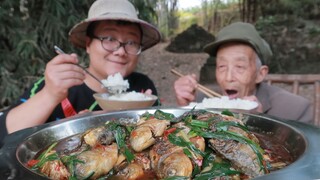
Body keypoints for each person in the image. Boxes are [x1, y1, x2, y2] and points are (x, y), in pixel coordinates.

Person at [0, 0, 161, 142]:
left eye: (131, 42)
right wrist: (50, 95)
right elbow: (4, 134)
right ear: (88, 44)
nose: (120, 51)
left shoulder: (143, 87)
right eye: (110, 39)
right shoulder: (59, 85)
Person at [174, 22, 313, 124]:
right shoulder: (201, 103)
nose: (228, 78)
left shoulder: (296, 110)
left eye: (239, 66)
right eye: (222, 66)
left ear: (260, 74)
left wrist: (258, 122)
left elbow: (306, 162)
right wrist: (185, 109)